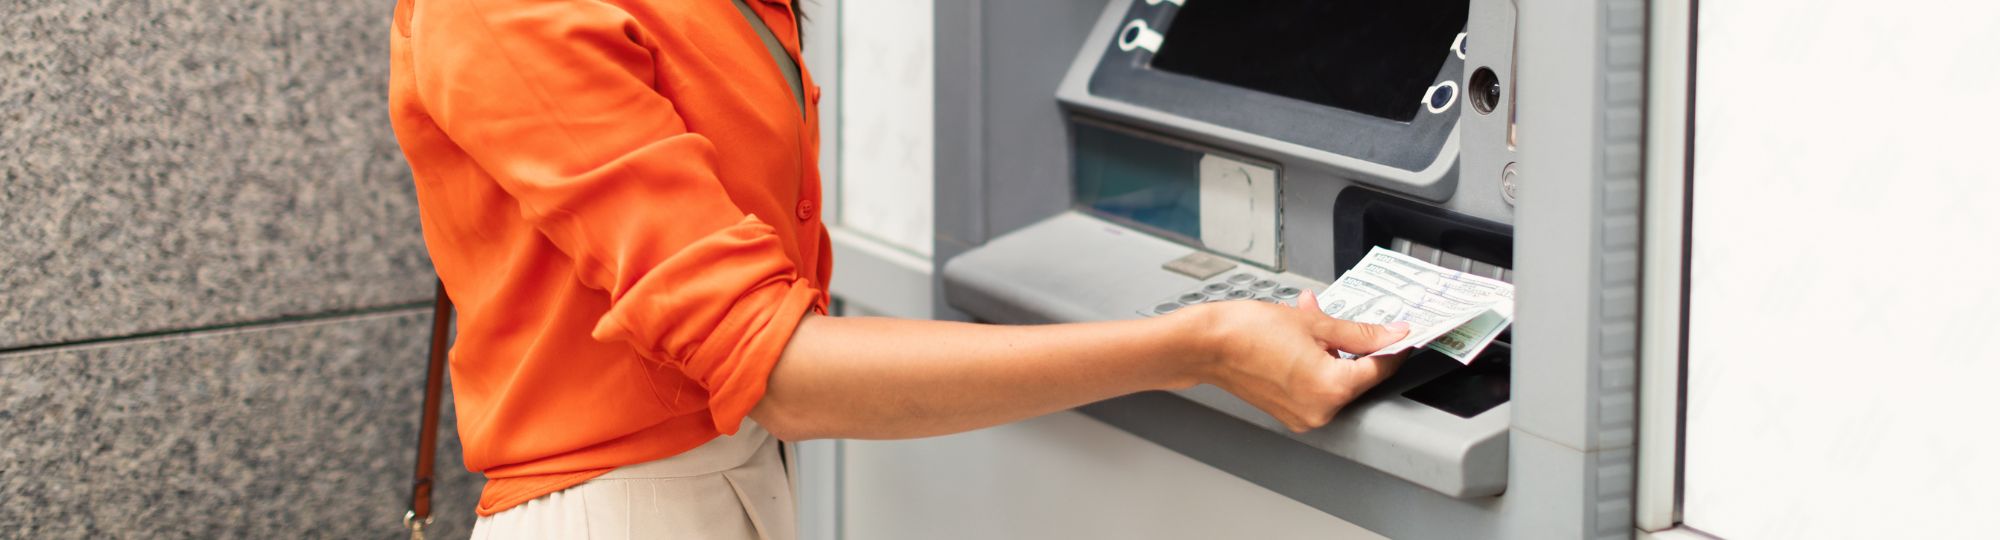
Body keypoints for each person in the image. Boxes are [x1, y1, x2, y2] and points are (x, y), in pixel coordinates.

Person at [386, 0, 1410, 537]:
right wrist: (1199, 343)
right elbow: (778, 367)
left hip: (738, 488)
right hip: (618, 512)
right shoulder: (505, 9)